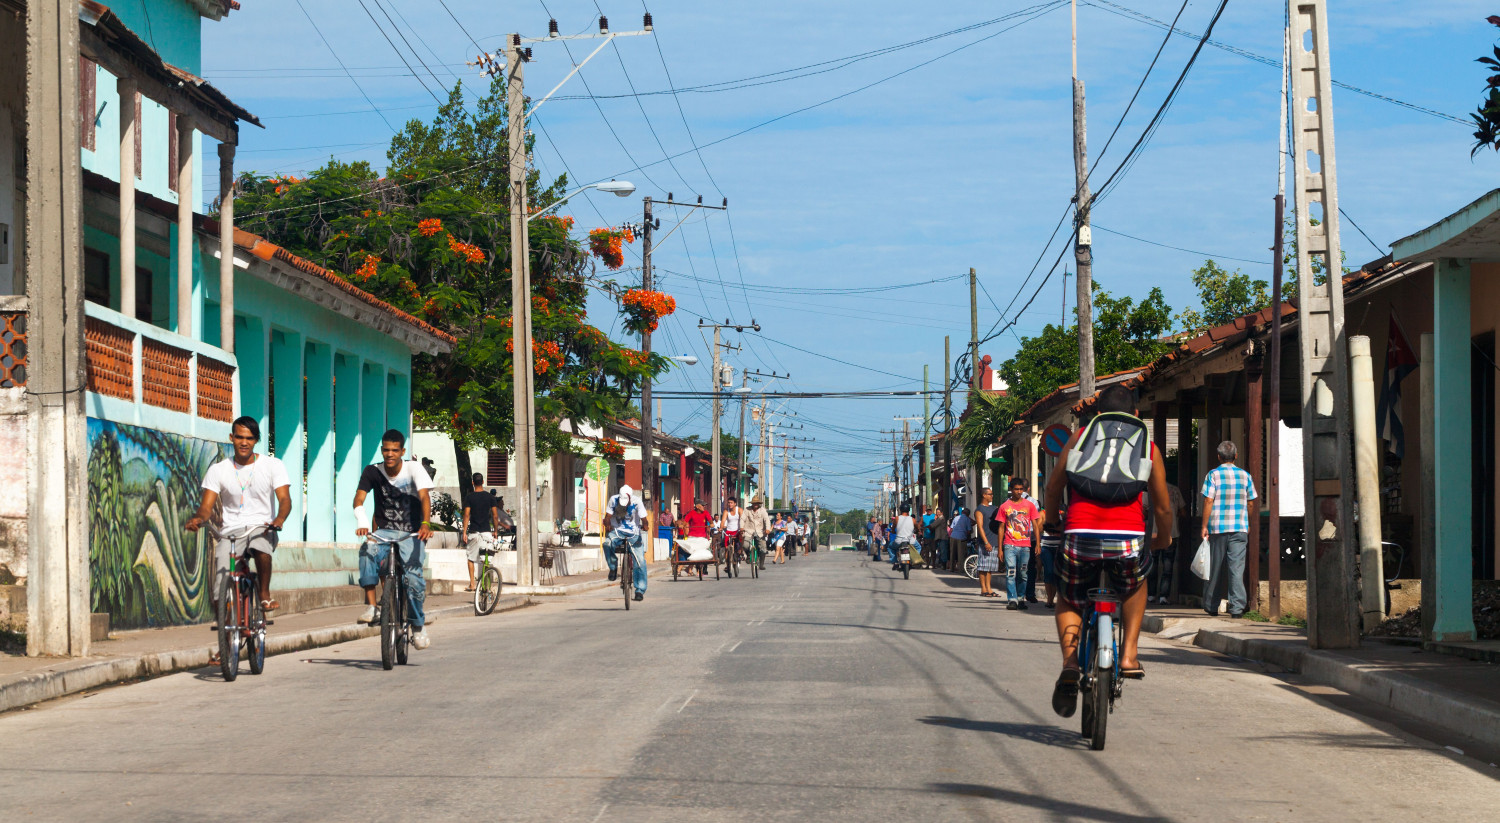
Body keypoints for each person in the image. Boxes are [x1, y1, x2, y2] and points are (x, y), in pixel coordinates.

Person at [1044, 385, 1172, 717]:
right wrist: (1163, 538)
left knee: (1070, 596)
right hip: (1127, 538)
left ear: (1097, 413)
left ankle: (1070, 662)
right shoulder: (1149, 447)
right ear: (1136, 415)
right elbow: (1162, 508)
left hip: (1079, 534)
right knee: (1135, 582)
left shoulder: (1080, 438)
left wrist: (1053, 521)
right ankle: (1129, 654)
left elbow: (1054, 486)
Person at [185, 416, 291, 663]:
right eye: (239, 437)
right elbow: (206, 507)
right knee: (218, 588)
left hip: (262, 525)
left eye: (249, 438)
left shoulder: (272, 465)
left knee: (261, 547)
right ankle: (225, 641)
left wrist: (279, 519)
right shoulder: (219, 470)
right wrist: (198, 519)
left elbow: (285, 499)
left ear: (256, 440)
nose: (244, 442)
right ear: (231, 438)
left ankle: (263, 594)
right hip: (231, 530)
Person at [352, 429, 434, 650]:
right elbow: (359, 499)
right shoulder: (372, 471)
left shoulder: (414, 468)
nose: (390, 454)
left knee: (414, 579)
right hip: (384, 531)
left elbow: (425, 497)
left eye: (395, 450)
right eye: (386, 450)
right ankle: (372, 607)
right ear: (382, 450)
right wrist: (362, 522)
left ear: (402, 451)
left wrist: (426, 523)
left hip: (412, 532)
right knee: (367, 550)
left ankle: (417, 625)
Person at [1200, 441, 1258, 618]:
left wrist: (1204, 525)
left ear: (1219, 456)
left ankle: (1211, 605)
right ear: (1236, 456)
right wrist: (1246, 522)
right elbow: (1250, 502)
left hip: (1218, 528)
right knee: (1236, 568)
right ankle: (1237, 608)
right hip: (1239, 528)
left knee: (1215, 567)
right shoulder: (1245, 476)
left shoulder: (1213, 475)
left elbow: (1209, 500)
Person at [999, 477, 1041, 610]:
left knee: (1023, 573)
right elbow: (1001, 527)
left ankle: (1020, 598)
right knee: (1011, 572)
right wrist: (1000, 548)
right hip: (1009, 545)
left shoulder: (1030, 505)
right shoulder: (1005, 506)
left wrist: (1038, 544)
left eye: (1021, 489)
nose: (1019, 492)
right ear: (1011, 489)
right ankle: (1012, 599)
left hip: (1025, 546)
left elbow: (1035, 524)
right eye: (1016, 489)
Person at [604, 484, 648, 601]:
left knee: (640, 562)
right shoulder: (613, 499)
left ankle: (639, 590)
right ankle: (613, 567)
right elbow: (607, 516)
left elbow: (644, 518)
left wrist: (645, 525)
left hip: (634, 533)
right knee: (607, 544)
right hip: (617, 532)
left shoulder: (637, 501)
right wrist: (607, 525)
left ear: (630, 497)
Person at [462, 472, 500, 593]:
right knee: (487, 559)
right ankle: (487, 585)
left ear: (473, 483)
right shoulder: (490, 497)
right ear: (483, 482)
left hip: (474, 532)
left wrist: (464, 532)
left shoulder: (469, 497)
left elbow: (467, 515)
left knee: (470, 558)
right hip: (486, 533)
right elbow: (495, 516)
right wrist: (496, 531)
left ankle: (472, 584)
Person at [1149, 481, 1185, 605]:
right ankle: (1164, 596)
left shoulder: (1150, 489)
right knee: (1167, 565)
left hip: (1154, 532)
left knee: (1152, 564)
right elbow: (1183, 511)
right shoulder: (1175, 490)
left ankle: (1151, 594)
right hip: (1171, 532)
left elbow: (1143, 510)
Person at [974, 489, 1003, 597]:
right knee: (983, 566)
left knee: (990, 567)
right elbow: (980, 527)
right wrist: (986, 542)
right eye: (990, 494)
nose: (992, 496)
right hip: (985, 542)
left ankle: (989, 588)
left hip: (994, 540)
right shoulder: (979, 509)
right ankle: (983, 589)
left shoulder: (994, 508)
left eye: (992, 494)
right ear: (984, 495)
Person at [741, 495, 772, 570]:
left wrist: (767, 529)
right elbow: (742, 519)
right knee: (745, 545)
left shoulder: (763, 510)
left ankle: (761, 564)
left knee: (763, 549)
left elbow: (767, 520)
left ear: (759, 504)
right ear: (752, 504)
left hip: (760, 531)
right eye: (754, 503)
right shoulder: (747, 510)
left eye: (757, 503)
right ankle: (748, 555)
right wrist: (741, 527)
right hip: (749, 530)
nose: (755, 505)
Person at [891, 502, 918, 570]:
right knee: (918, 547)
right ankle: (914, 561)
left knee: (890, 547)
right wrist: (917, 531)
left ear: (900, 510)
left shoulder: (897, 518)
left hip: (899, 541)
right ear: (908, 511)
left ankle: (895, 562)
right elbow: (917, 528)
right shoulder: (912, 519)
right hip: (910, 540)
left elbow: (893, 528)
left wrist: (893, 531)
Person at [719, 498, 743, 572]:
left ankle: (740, 552)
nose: (730, 504)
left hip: (738, 530)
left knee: (740, 542)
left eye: (731, 503)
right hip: (729, 531)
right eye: (729, 503)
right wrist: (721, 527)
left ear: (735, 503)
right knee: (726, 548)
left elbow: (742, 519)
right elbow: (723, 521)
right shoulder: (726, 511)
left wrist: (742, 528)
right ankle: (727, 565)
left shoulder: (739, 510)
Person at [949, 507, 973, 572]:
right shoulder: (967, 519)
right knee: (961, 554)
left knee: (952, 553)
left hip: (953, 536)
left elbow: (951, 529)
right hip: (961, 537)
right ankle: (961, 569)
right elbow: (968, 530)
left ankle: (951, 568)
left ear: (962, 512)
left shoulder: (956, 518)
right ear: (968, 514)